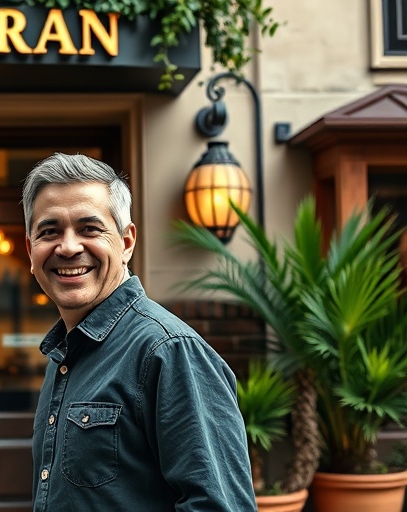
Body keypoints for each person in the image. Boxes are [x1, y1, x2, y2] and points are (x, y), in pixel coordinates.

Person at [23, 153, 256, 511]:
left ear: (127, 242)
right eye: (49, 231)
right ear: (31, 249)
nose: (68, 247)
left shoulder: (169, 352)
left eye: (89, 228)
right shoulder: (65, 355)